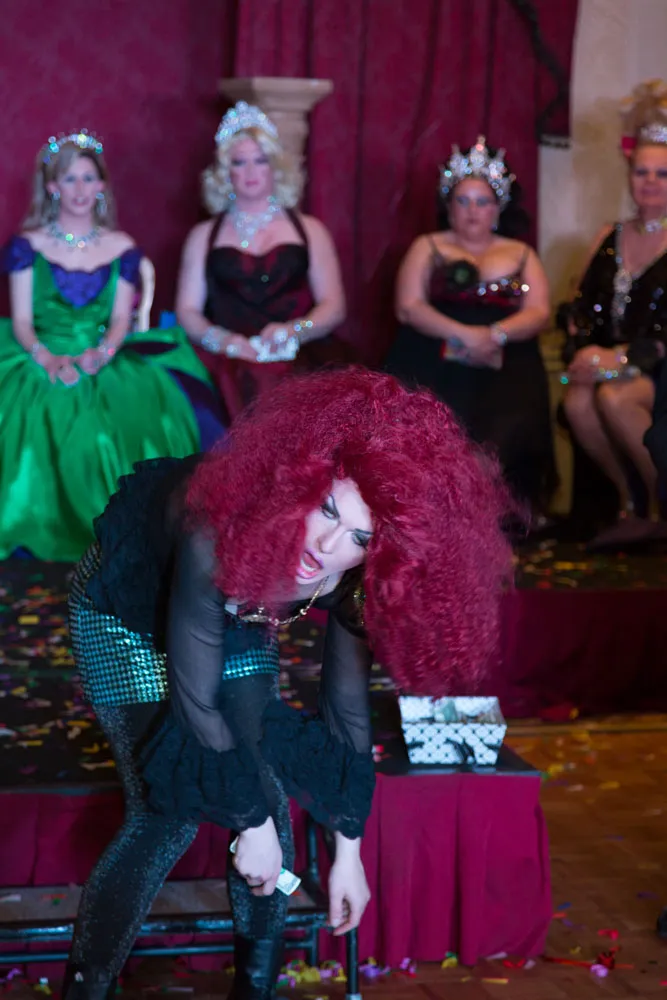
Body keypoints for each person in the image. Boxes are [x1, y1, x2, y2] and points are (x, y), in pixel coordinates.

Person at [63, 367, 513, 1000]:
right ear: (299, 482)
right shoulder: (215, 529)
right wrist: (245, 828)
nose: (327, 545)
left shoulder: (356, 583)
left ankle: (256, 987)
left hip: (239, 615)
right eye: (326, 509)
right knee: (167, 815)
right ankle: (86, 989)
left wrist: (348, 855)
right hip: (127, 611)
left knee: (270, 806)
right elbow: (196, 705)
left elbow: (347, 716)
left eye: (359, 538)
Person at [0, 130, 224, 562]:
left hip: (103, 352)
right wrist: (47, 358)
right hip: (39, 349)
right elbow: (23, 321)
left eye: (88, 178)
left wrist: (101, 355)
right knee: (28, 412)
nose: (80, 189)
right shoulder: (29, 246)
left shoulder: (121, 247)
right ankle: (34, 524)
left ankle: (116, 531)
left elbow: (122, 319)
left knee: (132, 419)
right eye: (70, 179)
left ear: (101, 185)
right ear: (52, 186)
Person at [385, 137, 554, 515]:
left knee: (504, 434)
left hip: (506, 362)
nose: (473, 211)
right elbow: (408, 306)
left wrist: (494, 335)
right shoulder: (428, 245)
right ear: (449, 207)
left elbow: (539, 311)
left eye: (482, 201)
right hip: (434, 358)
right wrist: (463, 334)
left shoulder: (521, 253)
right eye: (463, 201)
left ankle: (496, 517)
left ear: (498, 208)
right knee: (437, 438)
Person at [175, 102, 347, 422]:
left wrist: (295, 331)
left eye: (260, 160)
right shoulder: (203, 236)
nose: (251, 172)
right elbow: (187, 311)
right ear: (225, 171)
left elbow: (334, 306)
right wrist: (226, 342)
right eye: (240, 162)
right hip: (225, 360)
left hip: (299, 356)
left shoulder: (310, 230)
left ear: (275, 166)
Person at [561, 81, 667, 546]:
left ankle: (662, 504)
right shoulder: (611, 233)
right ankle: (631, 504)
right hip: (608, 360)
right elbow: (580, 306)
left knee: (616, 400)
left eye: (662, 173)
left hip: (657, 366)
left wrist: (622, 359)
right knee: (577, 401)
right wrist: (585, 352)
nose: (650, 181)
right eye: (641, 171)